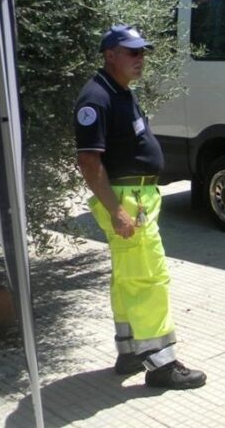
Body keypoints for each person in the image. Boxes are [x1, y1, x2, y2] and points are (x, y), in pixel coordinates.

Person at [74, 24, 206, 389]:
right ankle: (162, 364)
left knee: (128, 279)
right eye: (132, 52)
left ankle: (131, 350)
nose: (140, 58)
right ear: (110, 54)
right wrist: (116, 210)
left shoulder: (118, 91)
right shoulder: (96, 98)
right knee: (149, 280)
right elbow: (88, 162)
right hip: (127, 202)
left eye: (143, 52)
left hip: (137, 198)